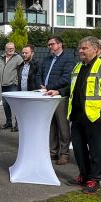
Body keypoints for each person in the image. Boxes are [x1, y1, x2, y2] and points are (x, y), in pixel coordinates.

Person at [59, 37, 101, 194]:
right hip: (77, 115)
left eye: (84, 48)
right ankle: (84, 176)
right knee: (78, 148)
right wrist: (58, 91)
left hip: (95, 116)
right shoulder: (78, 66)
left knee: (95, 149)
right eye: (80, 48)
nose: (80, 51)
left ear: (96, 50)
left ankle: (95, 179)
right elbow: (72, 88)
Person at [42, 35, 75, 164]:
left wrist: (49, 87)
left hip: (60, 96)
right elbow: (41, 73)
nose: (50, 47)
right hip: (47, 95)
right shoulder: (47, 59)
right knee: (52, 126)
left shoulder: (68, 59)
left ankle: (64, 154)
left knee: (63, 126)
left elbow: (67, 78)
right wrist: (42, 86)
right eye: (49, 45)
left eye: (52, 44)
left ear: (60, 44)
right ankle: (53, 152)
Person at [0, 42, 24, 130]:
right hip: (3, 85)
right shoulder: (1, 58)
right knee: (6, 105)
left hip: (12, 85)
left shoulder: (18, 58)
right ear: (5, 49)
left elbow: (22, 70)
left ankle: (17, 124)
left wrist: (16, 81)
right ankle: (8, 123)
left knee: (15, 105)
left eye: (12, 48)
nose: (11, 49)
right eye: (9, 48)